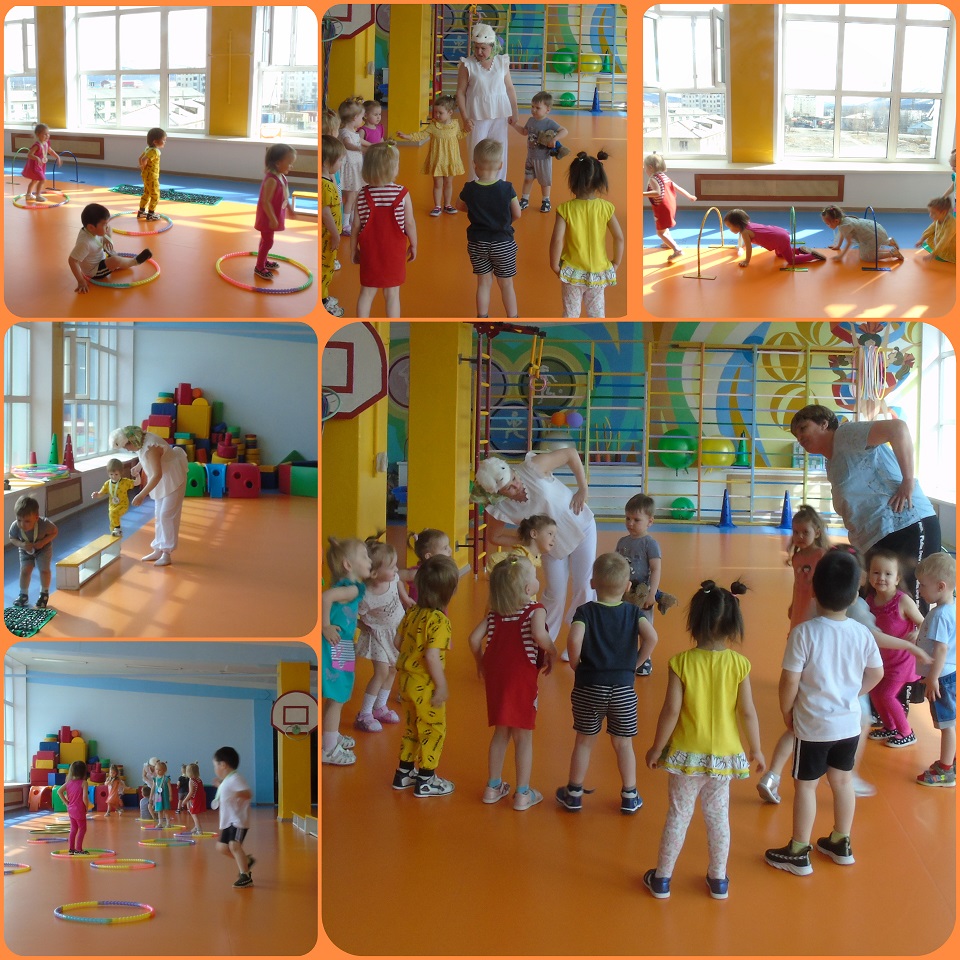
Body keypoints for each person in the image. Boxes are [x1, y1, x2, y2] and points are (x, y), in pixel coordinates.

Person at [764, 550, 884, 876]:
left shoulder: (804, 633)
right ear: (856, 594)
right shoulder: (861, 633)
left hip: (814, 726)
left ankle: (799, 851)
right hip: (849, 725)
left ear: (814, 591)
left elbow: (789, 680)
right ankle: (841, 842)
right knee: (842, 781)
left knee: (806, 786)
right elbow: (876, 673)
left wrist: (787, 711)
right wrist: (852, 693)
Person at [644, 579, 762, 900]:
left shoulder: (681, 663)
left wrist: (657, 747)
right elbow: (747, 712)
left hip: (686, 755)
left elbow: (671, 711)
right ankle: (718, 879)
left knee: (678, 814)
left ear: (694, 622)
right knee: (718, 817)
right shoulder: (739, 665)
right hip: (724, 756)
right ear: (733, 626)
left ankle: (662, 879)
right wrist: (756, 748)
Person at [789, 403, 941, 611]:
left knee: (908, 606)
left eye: (803, 428)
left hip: (905, 525)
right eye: (796, 436)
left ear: (824, 424)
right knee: (877, 606)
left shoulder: (845, 435)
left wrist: (907, 481)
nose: (800, 438)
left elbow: (898, 428)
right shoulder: (831, 463)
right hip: (878, 539)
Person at [555, 553, 658, 814]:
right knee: (623, 744)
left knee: (584, 741)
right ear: (628, 586)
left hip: (589, 686)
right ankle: (630, 795)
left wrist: (576, 663)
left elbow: (574, 639)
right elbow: (652, 638)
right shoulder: (633, 613)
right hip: (623, 689)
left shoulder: (585, 612)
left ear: (592, 582)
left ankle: (574, 793)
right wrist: (635, 664)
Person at [474, 448, 597, 649]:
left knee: (584, 586)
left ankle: (581, 641)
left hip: (580, 525)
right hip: (549, 546)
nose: (516, 485)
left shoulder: (532, 468)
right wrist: (530, 539)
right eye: (509, 488)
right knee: (555, 593)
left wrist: (583, 488)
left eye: (514, 478)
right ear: (498, 494)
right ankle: (542, 643)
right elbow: (494, 537)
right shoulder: (500, 506)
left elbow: (571, 454)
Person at [468, 556, 557, 810]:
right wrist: (552, 650)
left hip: (497, 678)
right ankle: (522, 793)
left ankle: (493, 787)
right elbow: (539, 634)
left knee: (501, 732)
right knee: (523, 737)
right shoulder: (535, 609)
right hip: (521, 680)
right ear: (529, 589)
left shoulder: (494, 614)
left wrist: (480, 662)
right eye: (534, 576)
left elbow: (473, 639)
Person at [757, 506, 831, 803]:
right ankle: (774, 775)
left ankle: (773, 775)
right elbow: (798, 587)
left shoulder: (822, 557)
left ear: (817, 532)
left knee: (800, 714)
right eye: (795, 532)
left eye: (805, 532)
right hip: (799, 626)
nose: (799, 537)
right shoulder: (798, 557)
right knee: (800, 713)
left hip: (814, 626)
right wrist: (792, 605)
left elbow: (822, 590)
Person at [392, 555, 461, 797]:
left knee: (412, 727)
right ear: (450, 592)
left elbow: (397, 642)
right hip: (425, 685)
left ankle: (404, 773)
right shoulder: (440, 621)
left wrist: (412, 654)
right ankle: (426, 779)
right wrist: (441, 685)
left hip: (405, 681)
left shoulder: (412, 613)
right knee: (433, 729)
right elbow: (432, 656)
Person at [551, 151, 624, 318]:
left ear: (572, 181)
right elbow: (619, 237)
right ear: (600, 182)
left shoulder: (565, 209)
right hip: (599, 271)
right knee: (597, 314)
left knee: (570, 314)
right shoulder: (606, 208)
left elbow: (557, 240)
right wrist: (616, 263)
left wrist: (554, 265)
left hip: (572, 272)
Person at [864, 547, 924, 748]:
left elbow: (924, 623)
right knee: (875, 692)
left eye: (888, 574)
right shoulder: (869, 601)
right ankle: (890, 727)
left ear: (897, 579)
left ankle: (907, 732)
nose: (881, 577)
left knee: (886, 695)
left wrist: (917, 632)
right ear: (869, 575)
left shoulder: (903, 601)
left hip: (902, 662)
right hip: (882, 661)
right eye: (876, 572)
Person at [322, 537, 372, 766]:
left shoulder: (351, 589)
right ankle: (329, 749)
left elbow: (344, 613)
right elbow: (325, 598)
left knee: (338, 695)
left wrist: (359, 624)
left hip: (341, 645)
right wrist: (325, 626)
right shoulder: (351, 589)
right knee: (338, 696)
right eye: (364, 556)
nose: (369, 560)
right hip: (337, 646)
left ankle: (331, 735)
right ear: (348, 565)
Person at [352, 142, 417, 319]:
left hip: (370, 252)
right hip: (394, 253)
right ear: (393, 169)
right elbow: (410, 223)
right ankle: (392, 323)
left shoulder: (362, 194)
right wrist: (414, 244)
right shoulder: (402, 193)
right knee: (392, 294)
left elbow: (356, 226)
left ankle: (362, 324)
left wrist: (353, 250)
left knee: (366, 293)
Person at [458, 138, 521, 318]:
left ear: (474, 164)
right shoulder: (507, 188)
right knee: (506, 284)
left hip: (477, 243)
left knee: (483, 283)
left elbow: (459, 205)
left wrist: (477, 211)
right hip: (503, 243)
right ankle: (513, 317)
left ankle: (482, 317)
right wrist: (504, 222)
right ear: (500, 165)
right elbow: (517, 213)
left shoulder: (469, 188)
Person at [354, 536, 412, 733]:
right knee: (381, 673)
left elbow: (398, 582)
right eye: (392, 566)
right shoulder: (366, 596)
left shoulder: (392, 578)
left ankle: (380, 707)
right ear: (374, 573)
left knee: (393, 669)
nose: (396, 570)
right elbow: (353, 616)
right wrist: (364, 626)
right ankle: (364, 713)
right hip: (377, 636)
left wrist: (405, 598)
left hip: (396, 631)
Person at [615, 493, 677, 677]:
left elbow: (656, 569)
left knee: (644, 626)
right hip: (625, 593)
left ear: (650, 521)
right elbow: (617, 566)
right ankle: (627, 656)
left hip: (643, 593)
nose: (630, 523)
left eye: (636, 520)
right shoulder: (622, 542)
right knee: (626, 625)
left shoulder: (650, 544)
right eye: (627, 518)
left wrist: (652, 593)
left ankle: (644, 659)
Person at [110, 425, 188, 566]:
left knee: (167, 515)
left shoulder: (151, 446)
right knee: (159, 515)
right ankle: (158, 548)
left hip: (173, 478)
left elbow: (157, 474)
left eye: (126, 447)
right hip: (163, 479)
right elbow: (146, 455)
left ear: (131, 441)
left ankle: (166, 553)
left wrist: (141, 494)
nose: (127, 450)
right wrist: (139, 466)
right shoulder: (142, 440)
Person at [456, 22, 519, 181]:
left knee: (499, 152)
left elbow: (509, 88)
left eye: (483, 48)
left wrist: (515, 112)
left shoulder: (502, 62)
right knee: (476, 153)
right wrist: (465, 118)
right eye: (476, 47)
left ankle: (499, 185)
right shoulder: (467, 64)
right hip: (476, 116)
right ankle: (475, 186)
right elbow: (460, 93)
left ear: (492, 46)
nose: (479, 51)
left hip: (500, 114)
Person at [914, 553, 957, 787]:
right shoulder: (950, 608)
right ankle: (949, 761)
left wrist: (932, 679)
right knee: (948, 721)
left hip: (942, 678)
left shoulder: (941, 615)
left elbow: (941, 649)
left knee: (946, 724)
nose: (920, 590)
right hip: (947, 674)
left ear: (940, 586)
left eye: (923, 585)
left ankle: (946, 770)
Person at [396, 94, 466, 216]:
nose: (437, 115)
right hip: (437, 160)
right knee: (438, 184)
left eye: (440, 113)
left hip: (451, 160)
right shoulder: (433, 125)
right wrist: (407, 136)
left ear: (450, 112)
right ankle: (437, 206)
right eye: (435, 112)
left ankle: (447, 205)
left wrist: (467, 130)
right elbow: (421, 135)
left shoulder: (455, 125)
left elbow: (459, 135)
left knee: (448, 183)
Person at [68, 203, 151, 294]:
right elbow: (72, 261)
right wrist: (80, 281)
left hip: (101, 257)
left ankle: (119, 262)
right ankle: (135, 262)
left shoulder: (91, 230)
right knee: (115, 260)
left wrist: (108, 238)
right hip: (94, 271)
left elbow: (109, 228)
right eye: (104, 224)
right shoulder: (84, 243)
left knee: (113, 254)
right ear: (91, 227)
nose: (107, 226)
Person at [510, 91, 569, 212]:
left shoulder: (549, 123)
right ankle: (524, 199)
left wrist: (554, 139)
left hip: (543, 159)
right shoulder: (531, 120)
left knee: (544, 182)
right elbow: (524, 132)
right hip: (530, 157)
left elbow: (564, 131)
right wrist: (514, 125)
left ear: (547, 109)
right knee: (528, 179)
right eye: (532, 106)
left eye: (538, 108)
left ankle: (546, 200)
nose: (533, 110)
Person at [212, 746, 255, 888]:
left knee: (234, 845)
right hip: (228, 821)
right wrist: (219, 785)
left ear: (223, 765)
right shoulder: (227, 780)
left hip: (238, 820)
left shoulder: (236, 778)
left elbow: (248, 793)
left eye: (215, 765)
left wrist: (239, 794)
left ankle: (245, 875)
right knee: (222, 848)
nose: (215, 769)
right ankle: (246, 861)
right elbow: (226, 791)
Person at [722, 208, 826, 267]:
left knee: (791, 261)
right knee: (779, 254)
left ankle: (813, 256)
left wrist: (746, 261)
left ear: (737, 224)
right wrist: (742, 246)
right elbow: (748, 242)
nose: (729, 229)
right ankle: (799, 250)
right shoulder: (748, 225)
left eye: (729, 226)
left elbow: (749, 248)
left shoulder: (744, 232)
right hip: (778, 235)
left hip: (780, 239)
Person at [254, 143, 297, 282]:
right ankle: (259, 266)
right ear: (278, 163)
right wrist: (272, 218)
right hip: (267, 216)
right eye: (289, 163)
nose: (291, 166)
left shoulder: (281, 176)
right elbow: (265, 201)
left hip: (274, 214)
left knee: (265, 240)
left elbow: (284, 195)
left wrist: (289, 208)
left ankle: (263, 261)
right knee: (268, 241)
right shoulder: (271, 180)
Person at [8, 495, 58, 609]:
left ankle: (44, 594)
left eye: (27, 521)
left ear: (36, 518)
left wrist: (43, 542)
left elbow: (55, 531)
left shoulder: (44, 524)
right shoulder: (16, 526)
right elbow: (12, 538)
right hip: (25, 550)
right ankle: (23, 595)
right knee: (25, 570)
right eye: (19, 520)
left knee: (44, 570)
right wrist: (22, 545)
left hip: (43, 549)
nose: (22, 524)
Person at [643, 153, 696, 259]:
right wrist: (689, 196)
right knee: (664, 226)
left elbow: (657, 192)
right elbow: (677, 187)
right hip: (670, 205)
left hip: (662, 208)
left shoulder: (653, 179)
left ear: (650, 167)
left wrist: (642, 194)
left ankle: (677, 249)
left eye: (645, 168)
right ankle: (667, 242)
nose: (645, 170)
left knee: (660, 233)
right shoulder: (664, 176)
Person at [820, 205, 903, 264]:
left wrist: (841, 256)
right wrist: (838, 246)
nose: (827, 225)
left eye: (828, 224)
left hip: (872, 236)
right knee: (870, 245)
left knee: (866, 257)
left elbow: (849, 243)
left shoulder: (844, 225)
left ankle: (892, 253)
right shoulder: (843, 220)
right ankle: (889, 241)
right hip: (875, 230)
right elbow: (842, 233)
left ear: (836, 221)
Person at [321, 134, 345, 317]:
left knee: (328, 266)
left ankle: (324, 296)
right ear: (327, 162)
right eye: (340, 160)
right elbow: (325, 212)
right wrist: (335, 234)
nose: (341, 164)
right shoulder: (325, 186)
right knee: (326, 268)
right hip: (327, 237)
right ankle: (322, 302)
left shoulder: (327, 180)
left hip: (330, 235)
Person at [485, 513, 556, 577]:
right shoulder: (519, 555)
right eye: (550, 534)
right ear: (534, 534)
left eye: (554, 536)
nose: (553, 539)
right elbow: (510, 574)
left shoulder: (536, 555)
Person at [337, 98, 367, 235]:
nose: (362, 120)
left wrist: (375, 146)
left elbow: (363, 142)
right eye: (362, 117)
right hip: (350, 169)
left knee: (355, 196)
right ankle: (345, 225)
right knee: (350, 198)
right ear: (355, 117)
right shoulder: (344, 132)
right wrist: (359, 149)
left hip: (356, 168)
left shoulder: (354, 133)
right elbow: (348, 144)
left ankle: (353, 220)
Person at [400, 528, 453, 603]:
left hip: (437, 608)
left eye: (448, 546)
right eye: (445, 548)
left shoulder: (442, 569)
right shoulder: (419, 573)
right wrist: (404, 597)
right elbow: (397, 575)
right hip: (420, 609)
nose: (450, 550)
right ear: (429, 556)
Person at [89, 458, 137, 537]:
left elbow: (137, 483)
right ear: (108, 473)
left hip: (123, 505)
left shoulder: (125, 482)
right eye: (111, 474)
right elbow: (101, 494)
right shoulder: (107, 484)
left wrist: (137, 476)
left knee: (114, 513)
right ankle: (114, 534)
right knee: (112, 520)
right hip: (112, 506)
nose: (114, 476)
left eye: (116, 474)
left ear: (121, 472)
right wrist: (96, 495)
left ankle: (118, 529)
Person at [21, 122, 60, 202]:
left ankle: (28, 195)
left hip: (41, 165)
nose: (47, 136)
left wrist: (57, 157)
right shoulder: (37, 145)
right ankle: (38, 196)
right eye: (45, 134)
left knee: (34, 180)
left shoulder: (46, 143)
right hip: (35, 165)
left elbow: (50, 151)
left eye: (48, 134)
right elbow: (29, 155)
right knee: (42, 180)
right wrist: (36, 158)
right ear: (38, 134)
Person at [57, 761, 89, 855]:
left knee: (74, 829)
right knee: (82, 829)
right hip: (79, 810)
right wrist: (86, 807)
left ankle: (71, 849)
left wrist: (66, 803)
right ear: (83, 772)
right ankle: (78, 849)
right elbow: (84, 797)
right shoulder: (84, 783)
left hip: (71, 810)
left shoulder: (68, 783)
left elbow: (59, 791)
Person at [137, 127, 166, 221]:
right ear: (155, 142)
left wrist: (143, 168)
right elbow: (143, 159)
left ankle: (141, 211)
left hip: (145, 175)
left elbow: (140, 158)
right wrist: (143, 165)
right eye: (163, 140)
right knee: (155, 195)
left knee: (147, 193)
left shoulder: (148, 148)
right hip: (152, 177)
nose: (165, 142)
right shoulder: (154, 151)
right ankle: (151, 214)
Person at [916, 195, 956, 263]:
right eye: (930, 212)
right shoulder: (939, 218)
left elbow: (944, 241)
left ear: (943, 212)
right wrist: (921, 239)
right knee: (930, 236)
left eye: (933, 213)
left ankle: (943, 253)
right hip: (944, 242)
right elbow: (930, 228)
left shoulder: (951, 224)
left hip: (953, 245)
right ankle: (940, 252)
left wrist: (933, 254)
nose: (930, 215)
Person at [180, 762, 207, 834]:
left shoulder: (191, 781)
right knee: (194, 813)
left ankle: (199, 829)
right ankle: (196, 827)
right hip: (200, 798)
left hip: (195, 799)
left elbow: (191, 792)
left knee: (193, 814)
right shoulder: (199, 779)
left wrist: (185, 800)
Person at [153, 760, 172, 828]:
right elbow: (153, 788)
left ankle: (168, 823)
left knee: (166, 810)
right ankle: (160, 823)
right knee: (159, 810)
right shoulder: (155, 779)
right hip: (158, 797)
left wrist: (170, 796)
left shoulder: (166, 779)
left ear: (164, 771)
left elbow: (169, 788)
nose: (157, 771)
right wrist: (151, 797)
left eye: (160, 770)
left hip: (165, 796)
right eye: (156, 769)